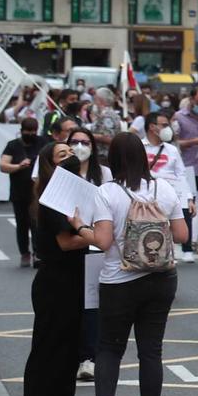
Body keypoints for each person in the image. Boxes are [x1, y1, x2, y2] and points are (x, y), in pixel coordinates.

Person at [87, 133, 188, 396]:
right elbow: (182, 235)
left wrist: (79, 226)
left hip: (119, 280)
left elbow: (102, 242)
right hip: (161, 279)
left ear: (113, 159)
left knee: (109, 348)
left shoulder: (107, 192)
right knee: (151, 351)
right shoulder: (165, 188)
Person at [21, 141, 99, 396]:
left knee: (71, 349)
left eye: (72, 153)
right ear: (49, 164)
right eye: (62, 155)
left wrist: (90, 232)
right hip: (54, 281)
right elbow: (65, 242)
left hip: (77, 277)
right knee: (48, 347)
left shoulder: (76, 197)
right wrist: (95, 234)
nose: (71, 157)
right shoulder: (50, 200)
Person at [66, 126, 108, 380]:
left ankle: (88, 358)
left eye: (85, 142)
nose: (80, 146)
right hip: (69, 243)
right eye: (75, 141)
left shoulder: (103, 173)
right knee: (71, 302)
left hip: (94, 242)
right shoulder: (63, 172)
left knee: (91, 304)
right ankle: (71, 353)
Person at [0, 117, 47, 267]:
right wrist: (18, 166)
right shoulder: (12, 146)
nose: (31, 134)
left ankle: (37, 253)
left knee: (37, 224)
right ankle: (24, 253)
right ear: (21, 131)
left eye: (33, 131)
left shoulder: (42, 143)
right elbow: (3, 166)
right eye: (28, 132)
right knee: (22, 224)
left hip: (37, 192)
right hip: (19, 191)